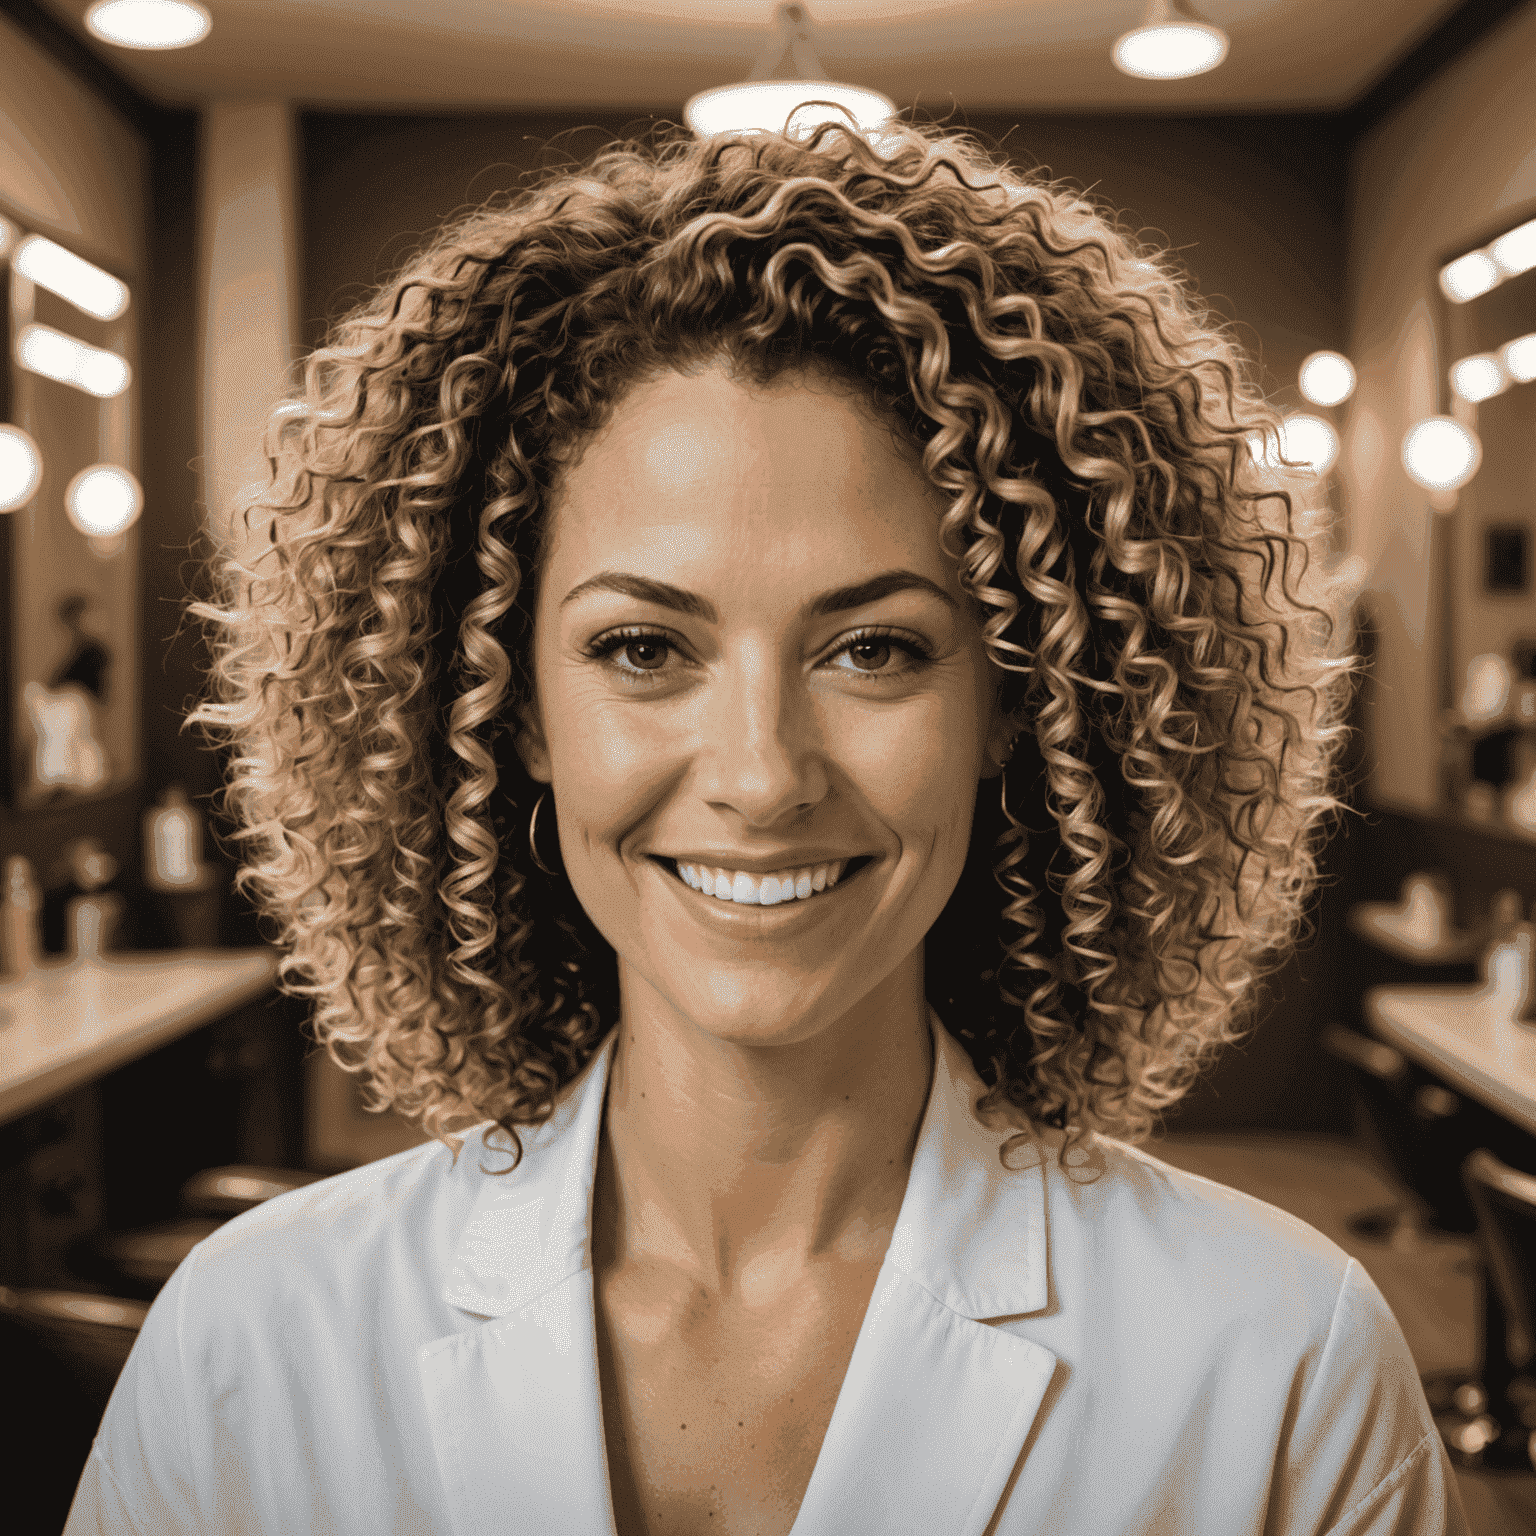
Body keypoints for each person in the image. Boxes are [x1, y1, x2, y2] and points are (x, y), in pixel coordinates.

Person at [66, 114, 1467, 1535]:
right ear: (510, 706)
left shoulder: (1283, 1364)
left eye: (874, 650)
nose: (761, 774)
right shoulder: (253, 1347)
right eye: (641, 649)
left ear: (1016, 708)